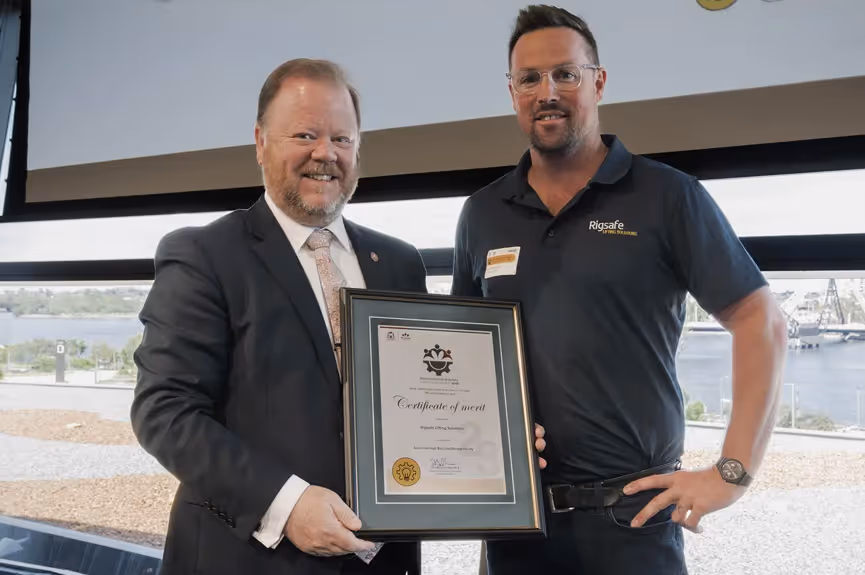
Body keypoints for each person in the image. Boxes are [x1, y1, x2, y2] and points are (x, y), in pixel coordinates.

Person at [451, 6, 788, 574]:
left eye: (566, 74)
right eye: (529, 79)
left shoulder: (667, 196)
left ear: (598, 81)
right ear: (512, 93)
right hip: (514, 520)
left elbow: (762, 320)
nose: (547, 91)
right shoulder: (482, 213)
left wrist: (733, 472)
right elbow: (462, 354)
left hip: (632, 522)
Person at [131, 59, 426, 574]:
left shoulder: (400, 263)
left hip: (381, 562)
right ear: (261, 141)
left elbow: (422, 399)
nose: (325, 154)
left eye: (342, 138)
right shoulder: (204, 255)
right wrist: (285, 504)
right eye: (305, 134)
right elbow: (166, 411)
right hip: (246, 559)